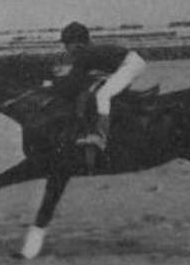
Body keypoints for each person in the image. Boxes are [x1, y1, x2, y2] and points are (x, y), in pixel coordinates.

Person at [55, 21, 147, 170]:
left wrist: (52, 85)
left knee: (102, 96)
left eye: (67, 44)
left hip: (131, 65)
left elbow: (73, 83)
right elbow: (79, 78)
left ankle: (100, 137)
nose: (65, 48)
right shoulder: (88, 51)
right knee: (98, 89)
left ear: (77, 43)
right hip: (128, 63)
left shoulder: (84, 54)